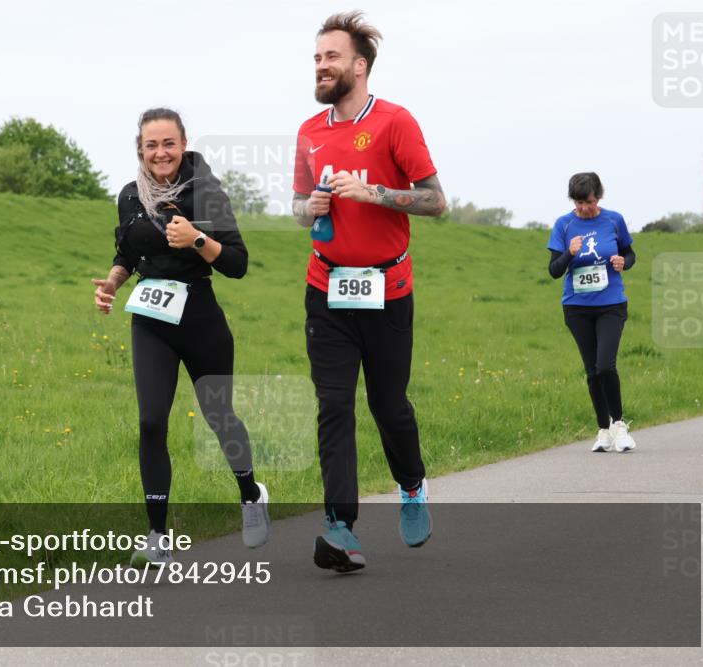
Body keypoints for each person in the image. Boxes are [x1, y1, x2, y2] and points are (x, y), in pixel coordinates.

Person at [291, 12, 446, 573]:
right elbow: (297, 206)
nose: (321, 65)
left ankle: (411, 485)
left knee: (387, 405)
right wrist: (308, 209)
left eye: (330, 56)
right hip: (327, 287)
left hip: (387, 290)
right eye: (316, 58)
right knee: (333, 405)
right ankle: (340, 528)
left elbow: (435, 201)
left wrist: (375, 192)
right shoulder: (310, 131)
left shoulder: (395, 122)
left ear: (360, 65)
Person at [92, 108, 270, 567]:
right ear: (140, 149)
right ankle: (156, 535)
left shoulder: (206, 193)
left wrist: (195, 239)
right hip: (151, 320)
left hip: (200, 319)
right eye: (151, 145)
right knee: (151, 421)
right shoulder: (130, 195)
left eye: (168, 143)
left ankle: (251, 494)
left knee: (218, 416)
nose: (160, 153)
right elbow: (127, 252)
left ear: (184, 143)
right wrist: (113, 282)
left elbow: (237, 262)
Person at [548, 172, 637, 453]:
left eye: (588, 201)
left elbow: (630, 254)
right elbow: (554, 270)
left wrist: (625, 262)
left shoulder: (614, 220)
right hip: (577, 308)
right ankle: (602, 430)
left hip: (611, 304)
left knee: (605, 366)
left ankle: (619, 425)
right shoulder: (563, 225)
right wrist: (570, 254)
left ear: (598, 197)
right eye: (578, 202)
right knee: (592, 372)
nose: (584, 208)